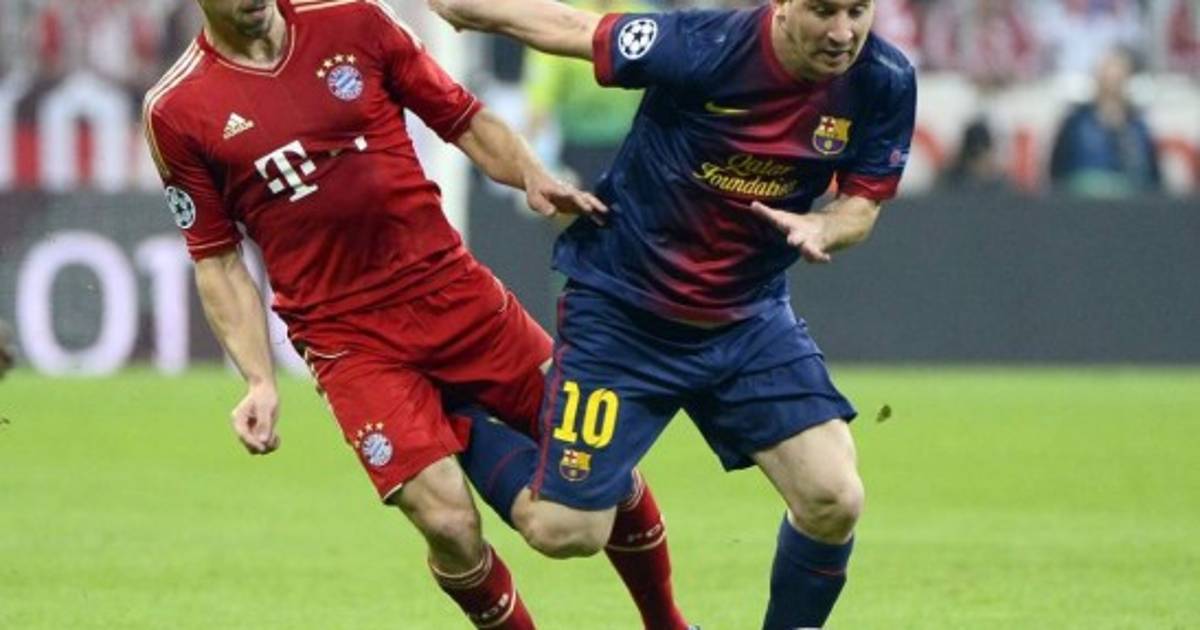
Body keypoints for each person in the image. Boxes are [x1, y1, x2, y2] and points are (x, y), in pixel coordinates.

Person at [142, 1, 689, 628]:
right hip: (350, 342)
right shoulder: (177, 108)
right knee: (449, 524)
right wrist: (259, 380)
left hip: (455, 296)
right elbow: (216, 259)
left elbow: (462, 117)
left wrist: (531, 175)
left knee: (592, 456)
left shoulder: (355, 20)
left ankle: (669, 624)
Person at [429, 0, 916, 627]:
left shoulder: (884, 79)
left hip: (747, 319)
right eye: (824, 11)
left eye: (857, 10)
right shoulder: (703, 43)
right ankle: (454, 414)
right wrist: (464, 9)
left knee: (834, 497)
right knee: (564, 531)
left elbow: (863, 205)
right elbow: (575, 29)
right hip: (623, 313)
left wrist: (826, 226)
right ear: (784, 5)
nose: (843, 32)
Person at [1049, 46, 1162, 197]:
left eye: (1118, 75)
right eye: (1107, 74)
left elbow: (1153, 179)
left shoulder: (1138, 128)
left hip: (1130, 205)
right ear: (1097, 78)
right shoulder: (1075, 125)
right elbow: (1057, 173)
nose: (1112, 80)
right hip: (1082, 203)